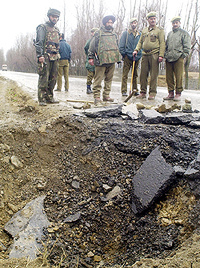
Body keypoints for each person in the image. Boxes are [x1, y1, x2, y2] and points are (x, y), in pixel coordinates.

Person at [88, 15, 121, 105]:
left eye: (111, 22)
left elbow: (116, 46)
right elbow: (92, 46)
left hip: (111, 60)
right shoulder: (98, 33)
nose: (110, 24)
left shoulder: (114, 34)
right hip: (101, 60)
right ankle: (97, 97)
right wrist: (90, 57)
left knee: (109, 79)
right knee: (98, 80)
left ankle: (106, 95)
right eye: (108, 22)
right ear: (105, 23)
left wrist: (118, 57)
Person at [133, 11, 165, 100]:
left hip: (154, 54)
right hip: (145, 54)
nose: (153, 20)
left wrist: (161, 55)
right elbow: (140, 42)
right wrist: (136, 50)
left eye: (154, 18)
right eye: (151, 19)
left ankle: (152, 93)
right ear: (148, 20)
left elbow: (162, 43)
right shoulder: (144, 30)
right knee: (143, 74)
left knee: (154, 75)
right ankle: (143, 92)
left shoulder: (159, 30)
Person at [35, 8, 60, 106]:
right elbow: (39, 42)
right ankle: (42, 98)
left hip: (55, 56)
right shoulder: (42, 27)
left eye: (56, 17)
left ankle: (50, 96)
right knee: (44, 77)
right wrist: (40, 55)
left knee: (53, 78)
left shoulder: (57, 30)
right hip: (45, 56)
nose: (55, 19)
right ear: (49, 16)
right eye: (53, 17)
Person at [164, 16, 191, 101]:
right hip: (169, 58)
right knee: (169, 77)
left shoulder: (184, 33)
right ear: (172, 24)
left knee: (179, 76)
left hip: (178, 57)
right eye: (173, 23)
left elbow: (187, 46)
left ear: (179, 23)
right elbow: (166, 45)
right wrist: (165, 54)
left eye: (177, 22)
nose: (175, 24)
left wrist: (183, 55)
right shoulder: (169, 34)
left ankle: (178, 93)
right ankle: (170, 93)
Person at [119, 17, 142, 96]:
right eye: (132, 23)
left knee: (135, 74)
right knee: (125, 74)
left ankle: (135, 90)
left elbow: (142, 45)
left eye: (135, 23)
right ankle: (124, 90)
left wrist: (139, 54)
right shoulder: (126, 34)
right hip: (127, 56)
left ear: (137, 24)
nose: (133, 24)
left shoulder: (140, 34)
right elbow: (121, 46)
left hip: (137, 57)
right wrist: (124, 54)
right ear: (130, 24)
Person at [84, 28, 98, 94]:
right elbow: (86, 48)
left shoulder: (98, 40)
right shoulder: (90, 41)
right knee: (90, 75)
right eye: (92, 32)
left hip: (97, 61)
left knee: (97, 76)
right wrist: (89, 55)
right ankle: (88, 87)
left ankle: (95, 88)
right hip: (90, 61)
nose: (93, 33)